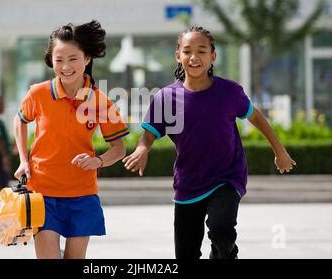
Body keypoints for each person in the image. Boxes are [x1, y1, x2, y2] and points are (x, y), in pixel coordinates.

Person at [123, 26, 296, 259]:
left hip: (227, 177)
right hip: (188, 183)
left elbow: (256, 117)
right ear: (178, 56)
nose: (194, 57)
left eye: (202, 51)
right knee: (185, 253)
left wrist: (280, 151)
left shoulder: (229, 92)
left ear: (213, 56)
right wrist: (143, 148)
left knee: (222, 233)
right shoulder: (166, 97)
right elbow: (149, 133)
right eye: (187, 51)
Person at [14, 20, 129, 259]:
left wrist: (98, 161)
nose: (66, 66)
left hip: (82, 194)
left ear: (86, 59)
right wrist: (23, 161)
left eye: (73, 58)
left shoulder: (99, 101)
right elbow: (20, 120)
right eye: (59, 60)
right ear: (51, 61)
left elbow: (119, 148)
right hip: (42, 193)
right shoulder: (38, 93)